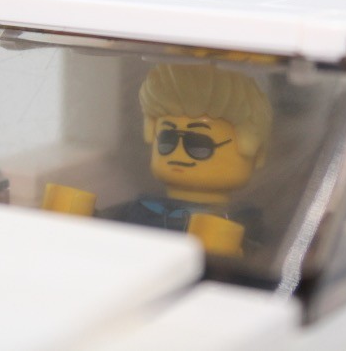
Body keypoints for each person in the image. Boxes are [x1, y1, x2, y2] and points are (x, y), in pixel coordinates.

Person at [105, 63, 272, 256]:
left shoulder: (238, 221)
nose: (178, 152)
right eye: (167, 139)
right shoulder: (142, 208)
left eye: (198, 144)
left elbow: (260, 258)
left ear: (254, 151)